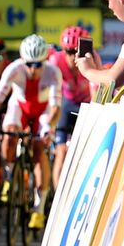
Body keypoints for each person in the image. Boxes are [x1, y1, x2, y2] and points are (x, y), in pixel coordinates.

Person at [0, 35, 62, 230]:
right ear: (22, 60)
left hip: (43, 111)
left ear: (45, 60)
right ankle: (10, 176)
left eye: (38, 64)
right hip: (19, 107)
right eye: (29, 64)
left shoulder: (53, 72)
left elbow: (55, 107)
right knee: (8, 134)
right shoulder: (14, 69)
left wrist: (48, 128)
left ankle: (39, 207)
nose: (33, 69)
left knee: (38, 148)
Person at [50, 26, 97, 190]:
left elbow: (96, 90)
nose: (72, 57)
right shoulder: (56, 61)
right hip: (66, 104)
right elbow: (51, 91)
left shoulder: (92, 58)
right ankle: (57, 197)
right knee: (61, 152)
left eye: (75, 51)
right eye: (68, 52)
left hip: (85, 103)